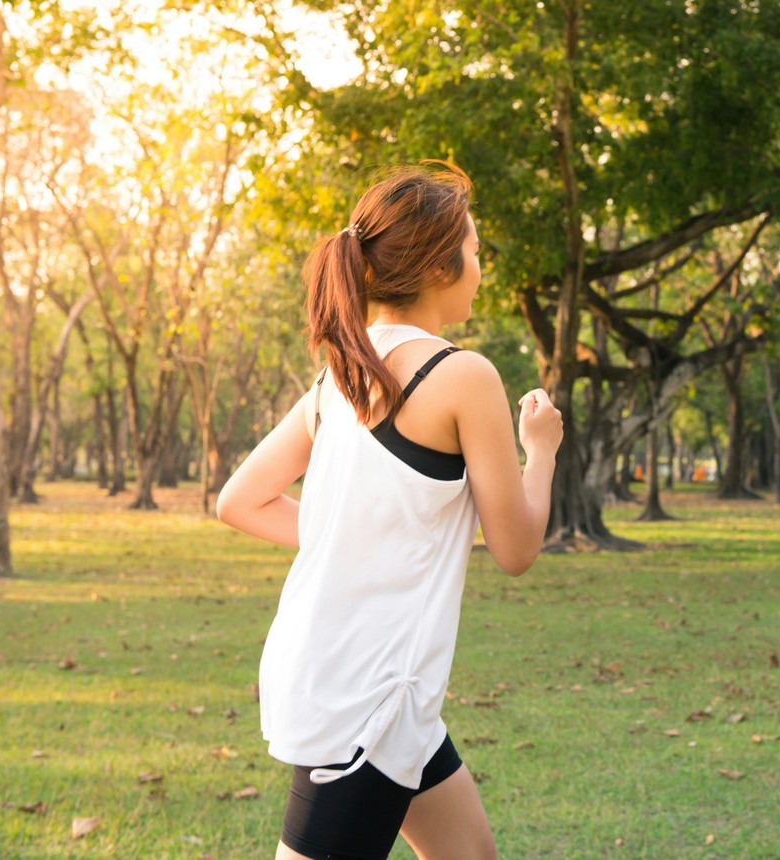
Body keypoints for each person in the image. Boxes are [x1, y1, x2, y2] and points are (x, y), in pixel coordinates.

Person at [216, 162, 563, 860]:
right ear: (439, 265)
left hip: (379, 689)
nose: (479, 267)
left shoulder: (340, 374)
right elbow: (517, 548)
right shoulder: (463, 376)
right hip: (365, 701)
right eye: (473, 251)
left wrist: (351, 539)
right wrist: (542, 448)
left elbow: (240, 501)